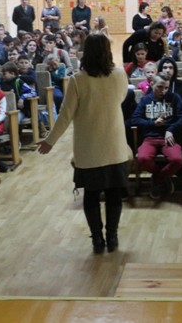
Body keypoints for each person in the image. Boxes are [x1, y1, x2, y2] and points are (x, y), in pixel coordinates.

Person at [38, 34, 132, 253]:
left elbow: (65, 115)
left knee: (91, 194)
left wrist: (50, 141)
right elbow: (120, 99)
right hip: (114, 144)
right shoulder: (120, 75)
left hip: (88, 149)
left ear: (86, 52)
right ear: (107, 51)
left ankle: (97, 239)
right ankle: (112, 237)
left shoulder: (78, 80)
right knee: (114, 194)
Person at [131, 73, 182, 199]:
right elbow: (135, 119)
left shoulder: (174, 98)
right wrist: (152, 123)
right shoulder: (146, 99)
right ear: (152, 84)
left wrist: (171, 129)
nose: (163, 91)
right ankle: (163, 178)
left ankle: (157, 180)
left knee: (177, 160)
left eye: (166, 88)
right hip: (150, 137)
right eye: (160, 87)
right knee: (143, 159)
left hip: (169, 137)